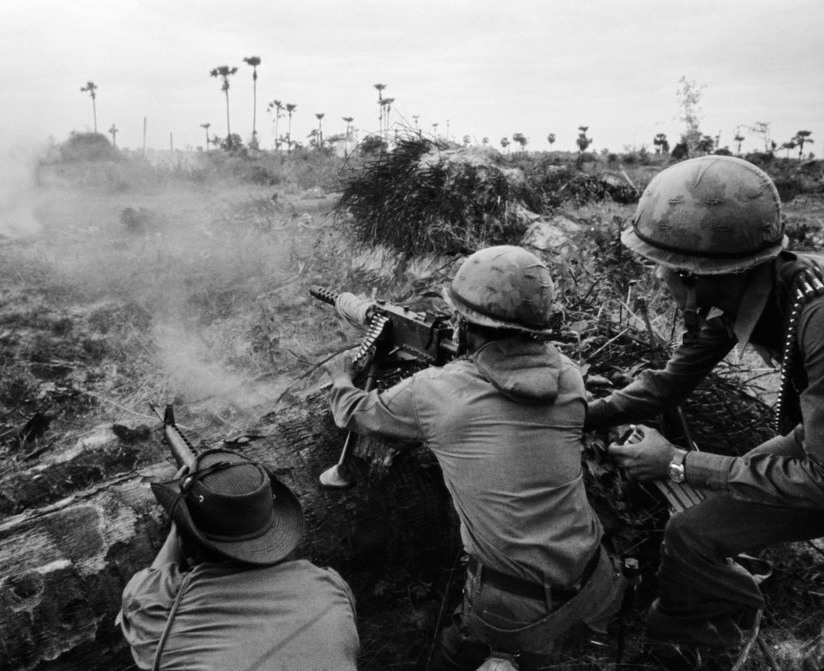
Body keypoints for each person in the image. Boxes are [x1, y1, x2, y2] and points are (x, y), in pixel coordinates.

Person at [324, 246, 626, 671]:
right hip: (597, 584)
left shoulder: (434, 391)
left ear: (464, 322)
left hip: (514, 616)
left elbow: (356, 413)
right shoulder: (568, 375)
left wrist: (340, 377)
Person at [586, 155, 824, 669]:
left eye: (662, 268)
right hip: (816, 443)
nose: (661, 280)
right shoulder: (754, 288)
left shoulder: (817, 319)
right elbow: (668, 384)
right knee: (739, 483)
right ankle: (734, 603)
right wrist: (586, 413)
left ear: (693, 275)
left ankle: (691, 651)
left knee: (691, 532)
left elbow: (821, 479)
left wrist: (675, 463)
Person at [117, 448, 360, 671]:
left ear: (189, 539)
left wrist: (178, 524)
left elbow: (142, 593)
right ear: (274, 527)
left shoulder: (162, 619)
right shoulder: (332, 588)